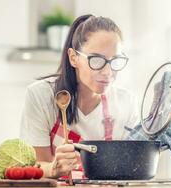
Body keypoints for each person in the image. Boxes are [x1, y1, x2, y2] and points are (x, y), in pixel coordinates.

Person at [20, 14, 139, 178]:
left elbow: (133, 167)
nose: (108, 72)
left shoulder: (126, 102)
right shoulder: (40, 96)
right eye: (97, 60)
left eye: (115, 60)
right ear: (73, 58)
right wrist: (54, 168)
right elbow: (37, 165)